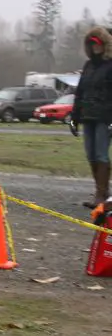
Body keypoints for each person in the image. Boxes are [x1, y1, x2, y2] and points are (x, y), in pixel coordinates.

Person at [69, 27, 112, 208]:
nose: (95, 48)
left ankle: (101, 195)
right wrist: (74, 117)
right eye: (91, 44)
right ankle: (101, 191)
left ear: (104, 45)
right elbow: (80, 92)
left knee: (101, 154)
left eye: (98, 44)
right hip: (88, 116)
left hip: (104, 117)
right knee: (91, 155)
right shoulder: (88, 66)